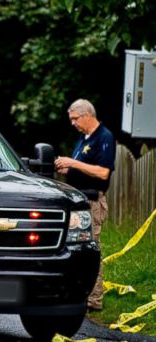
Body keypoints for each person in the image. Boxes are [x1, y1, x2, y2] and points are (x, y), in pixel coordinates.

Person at [55, 98, 116, 311]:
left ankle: (94, 300)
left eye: (75, 119)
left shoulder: (104, 137)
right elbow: (83, 169)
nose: (72, 123)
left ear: (87, 115)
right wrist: (68, 170)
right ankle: (78, 294)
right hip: (78, 202)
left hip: (93, 202)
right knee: (75, 248)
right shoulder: (83, 139)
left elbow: (103, 172)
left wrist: (73, 163)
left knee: (91, 248)